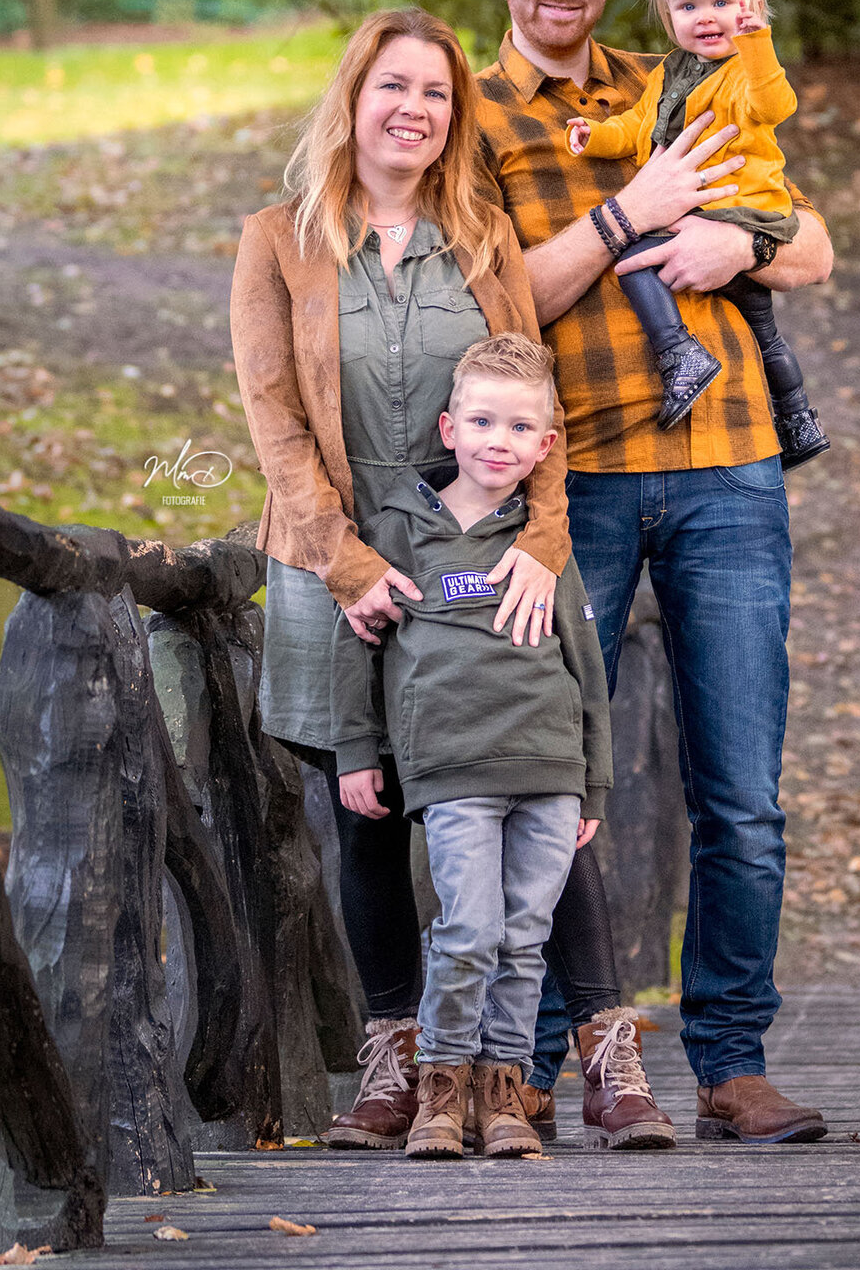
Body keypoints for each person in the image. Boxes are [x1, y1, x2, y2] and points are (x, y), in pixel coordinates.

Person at [228, 6, 644, 1152]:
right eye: (391, 87)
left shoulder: (483, 235)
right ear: (353, 99)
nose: (412, 110)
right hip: (339, 561)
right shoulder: (280, 238)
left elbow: (539, 391)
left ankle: (598, 1051)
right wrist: (345, 559)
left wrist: (545, 543)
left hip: (485, 553)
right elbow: (272, 416)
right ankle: (401, 1057)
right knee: (368, 814)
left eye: (436, 94)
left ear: (454, 117)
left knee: (536, 779)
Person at [476, 0, 833, 1145]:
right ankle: (525, 1058)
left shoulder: (688, 66)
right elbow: (493, 297)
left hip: (729, 469)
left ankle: (729, 1062)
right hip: (573, 490)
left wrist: (749, 238)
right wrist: (628, 215)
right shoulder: (472, 110)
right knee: (534, 778)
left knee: (740, 792)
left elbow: (817, 243)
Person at [330, 334, 625, 1159]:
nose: (500, 440)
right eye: (484, 421)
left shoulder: (542, 544)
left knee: (525, 935)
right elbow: (354, 641)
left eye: (520, 427)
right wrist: (357, 748)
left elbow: (586, 665)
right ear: (448, 426)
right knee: (468, 928)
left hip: (548, 768)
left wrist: (593, 787)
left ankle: (504, 1097)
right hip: (453, 767)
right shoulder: (400, 527)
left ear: (545, 446)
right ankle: (441, 1093)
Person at [566, 0, 829, 468]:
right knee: (764, 331)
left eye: (721, 3)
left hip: (741, 212)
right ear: (669, 18)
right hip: (711, 215)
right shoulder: (667, 75)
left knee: (635, 257)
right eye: (687, 7)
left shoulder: (742, 72)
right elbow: (638, 124)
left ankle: (678, 351)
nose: (705, 16)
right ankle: (799, 419)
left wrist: (758, 43)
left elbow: (775, 104)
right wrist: (597, 136)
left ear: (750, 7)